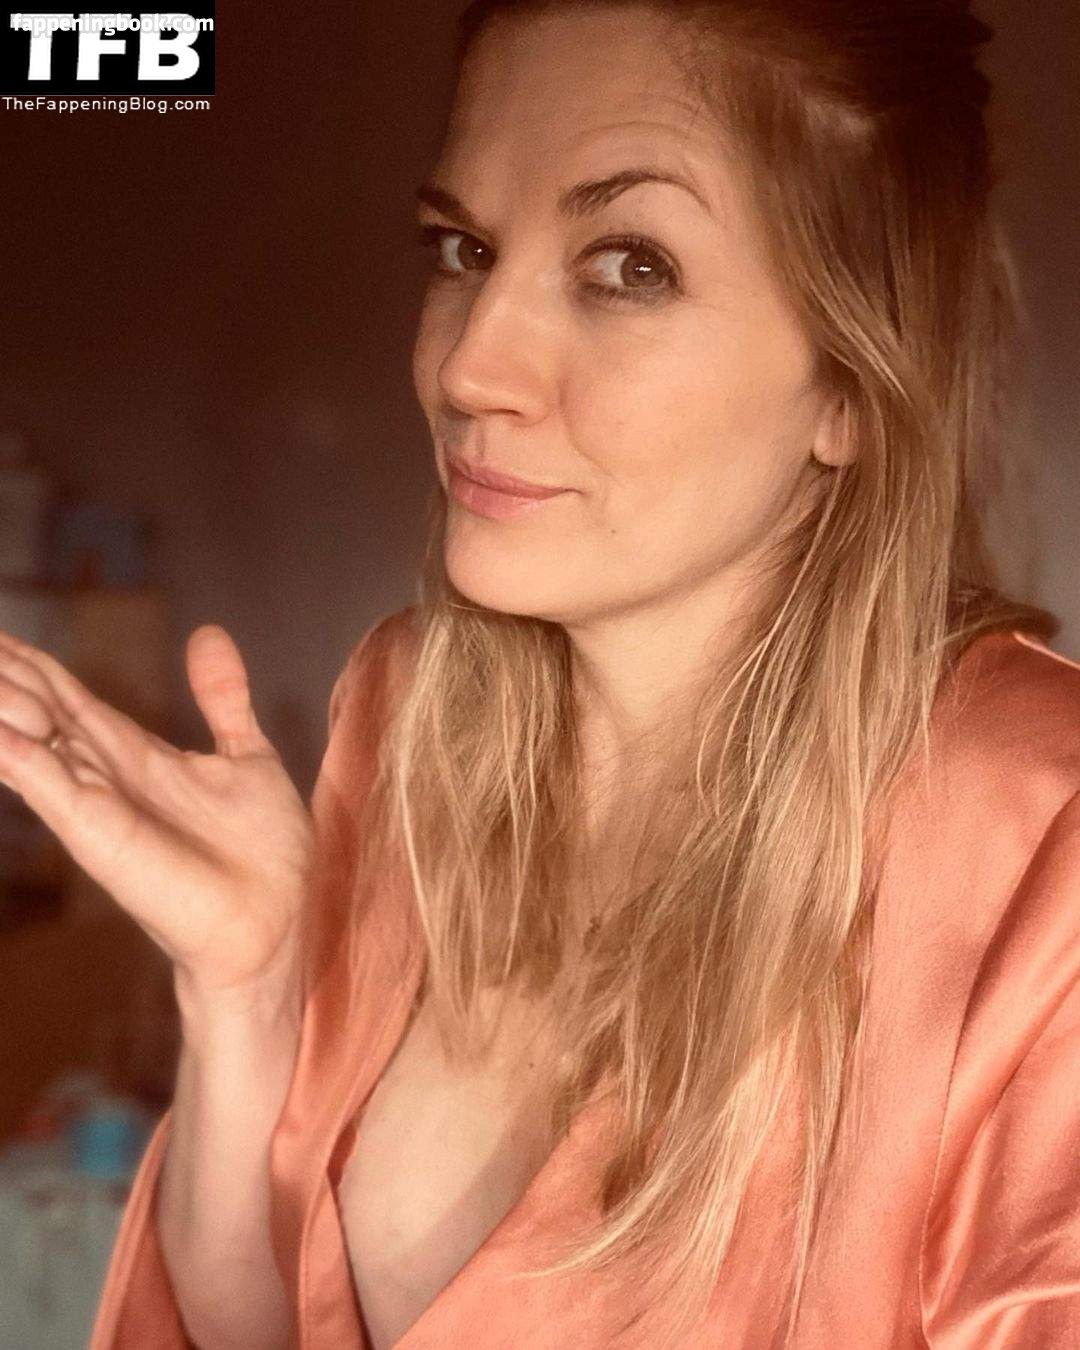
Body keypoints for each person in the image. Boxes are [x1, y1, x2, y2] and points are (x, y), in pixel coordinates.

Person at [0, 0, 1075, 1345]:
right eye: (464, 249)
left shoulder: (1042, 851)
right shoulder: (409, 715)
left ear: (853, 380)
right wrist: (247, 996)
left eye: (630, 266)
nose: (466, 368)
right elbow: (271, 1324)